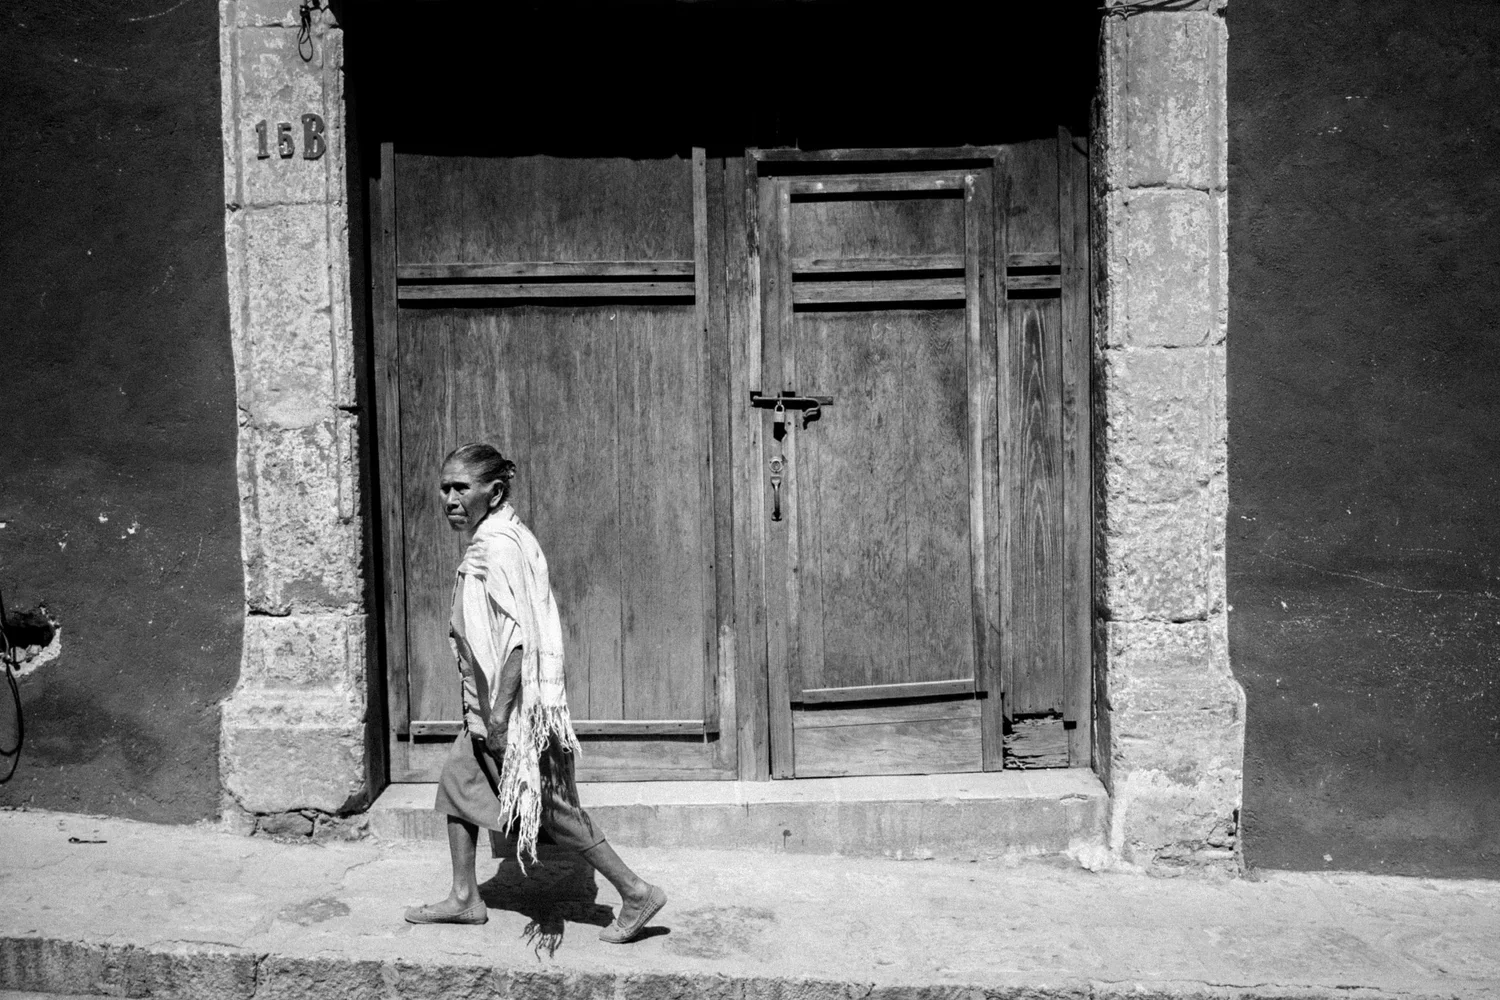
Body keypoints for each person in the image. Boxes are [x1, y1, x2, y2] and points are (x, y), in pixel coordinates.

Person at [403, 443, 666, 943]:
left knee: (553, 810)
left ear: (494, 492)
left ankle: (636, 891)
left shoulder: (499, 547)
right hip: (484, 707)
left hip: (512, 712)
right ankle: (464, 896)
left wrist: (500, 715)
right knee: (457, 784)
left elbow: (521, 640)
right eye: (444, 488)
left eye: (461, 488)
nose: (450, 499)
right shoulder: (492, 540)